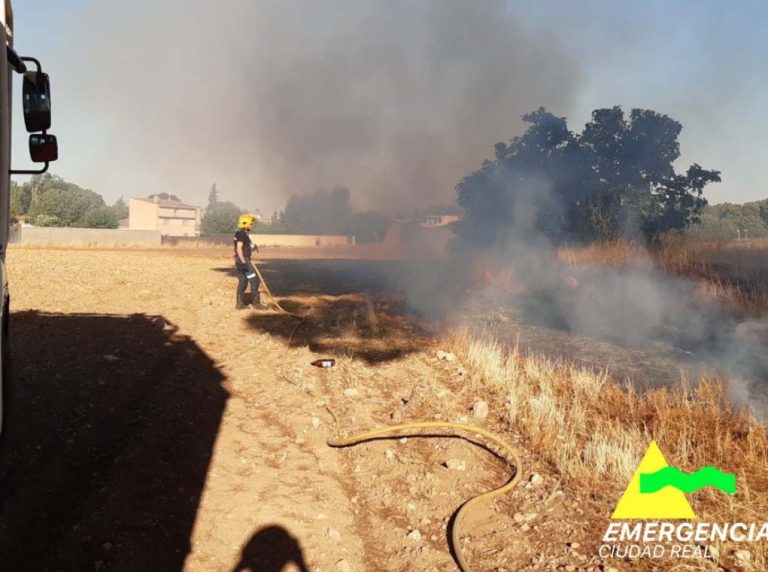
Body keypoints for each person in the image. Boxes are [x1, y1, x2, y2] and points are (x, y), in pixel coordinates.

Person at [233, 213, 264, 310]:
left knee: (243, 280)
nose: (251, 226)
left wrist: (252, 247)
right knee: (254, 280)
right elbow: (239, 249)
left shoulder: (240, 233)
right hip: (243, 260)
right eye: (250, 224)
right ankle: (256, 303)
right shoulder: (242, 234)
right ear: (245, 224)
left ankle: (240, 304)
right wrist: (244, 262)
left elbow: (244, 247)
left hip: (239, 259)